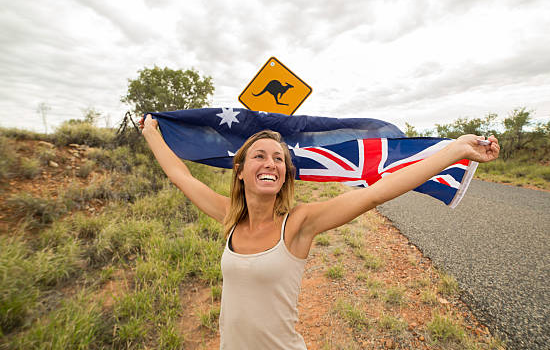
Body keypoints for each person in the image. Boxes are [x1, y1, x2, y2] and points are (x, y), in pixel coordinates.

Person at [139, 114, 500, 349]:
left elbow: (377, 192)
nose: (270, 163)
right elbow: (180, 175)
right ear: (240, 170)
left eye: (278, 158)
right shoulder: (229, 216)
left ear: (285, 173)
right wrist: (152, 132)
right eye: (260, 156)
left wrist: (455, 150)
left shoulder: (299, 224)